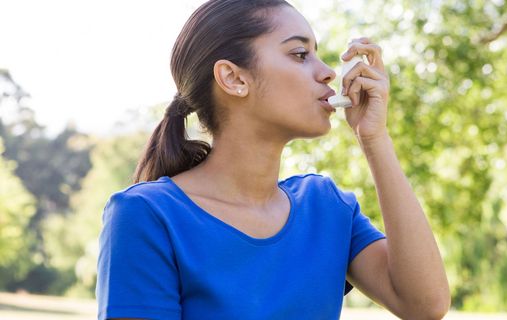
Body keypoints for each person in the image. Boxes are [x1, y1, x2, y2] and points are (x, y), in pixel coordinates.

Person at [95, 0, 450, 319]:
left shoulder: (326, 206)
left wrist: (374, 138)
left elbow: (424, 305)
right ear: (234, 78)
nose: (327, 72)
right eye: (300, 54)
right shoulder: (146, 215)